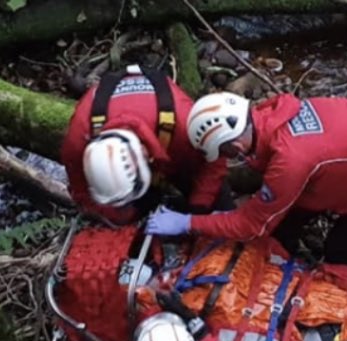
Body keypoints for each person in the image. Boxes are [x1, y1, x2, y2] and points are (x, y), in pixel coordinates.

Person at [143, 91, 347, 267]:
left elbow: (251, 226)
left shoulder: (290, 161)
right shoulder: (271, 112)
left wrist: (189, 223)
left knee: (340, 253)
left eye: (224, 152)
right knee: (283, 224)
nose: (227, 159)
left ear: (235, 146)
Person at [61, 64, 233, 225]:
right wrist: (124, 217)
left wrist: (198, 208)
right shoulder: (78, 139)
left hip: (172, 142)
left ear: (145, 155)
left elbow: (215, 162)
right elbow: (81, 191)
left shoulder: (183, 123)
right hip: (150, 138)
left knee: (214, 198)